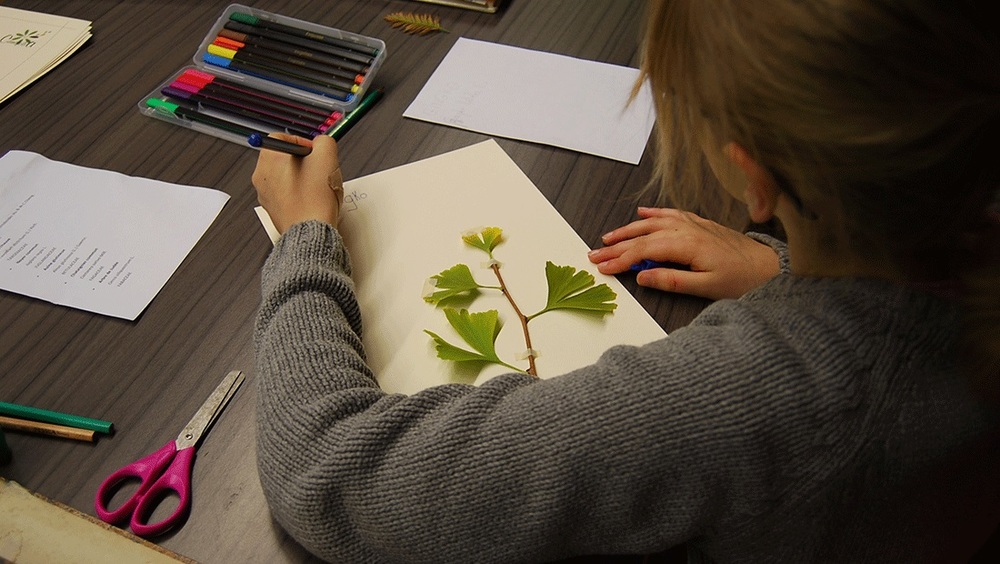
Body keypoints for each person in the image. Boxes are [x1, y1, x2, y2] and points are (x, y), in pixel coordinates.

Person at [252, 0, 1000, 561]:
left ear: (754, 177)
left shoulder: (749, 400)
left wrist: (305, 241)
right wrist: (786, 262)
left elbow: (328, 474)